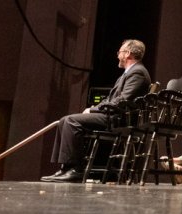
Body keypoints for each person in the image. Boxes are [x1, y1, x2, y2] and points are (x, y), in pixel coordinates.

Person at [41, 39, 151, 183]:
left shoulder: (138, 73)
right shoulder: (128, 73)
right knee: (64, 120)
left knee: (71, 121)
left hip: (119, 119)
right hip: (113, 115)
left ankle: (75, 169)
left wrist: (95, 110)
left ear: (128, 54)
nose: (118, 55)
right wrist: (93, 109)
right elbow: (111, 99)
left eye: (120, 52)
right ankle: (65, 168)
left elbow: (123, 100)